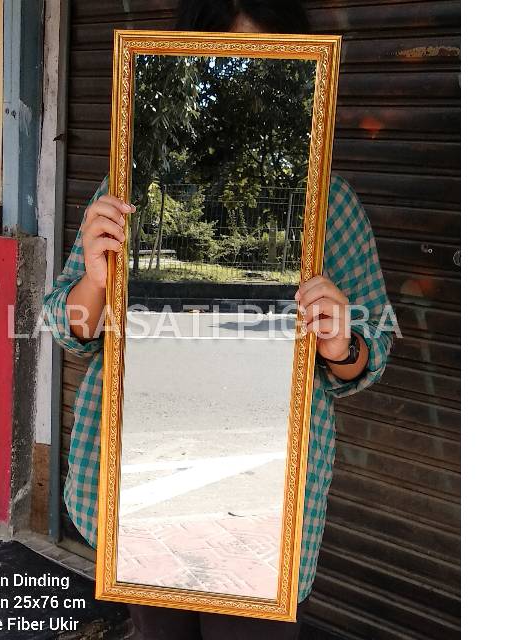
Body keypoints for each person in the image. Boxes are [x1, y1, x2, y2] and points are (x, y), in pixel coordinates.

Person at [43, 1, 395, 638]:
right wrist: (95, 280)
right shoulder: (129, 189)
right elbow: (70, 330)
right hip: (142, 483)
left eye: (263, 67)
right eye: (220, 64)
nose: (239, 86)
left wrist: (341, 343)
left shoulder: (329, 205)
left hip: (261, 500)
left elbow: (367, 356)